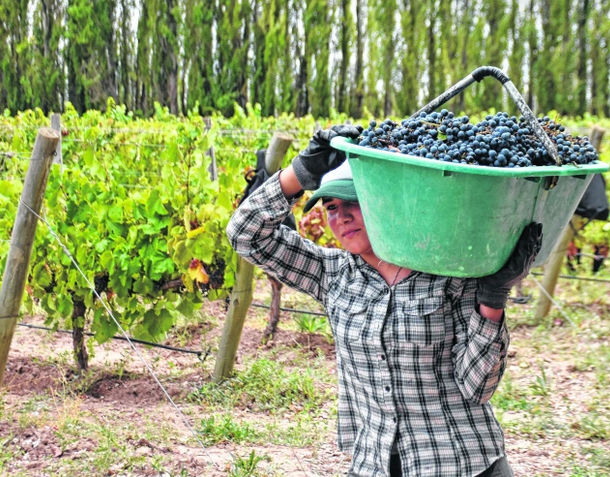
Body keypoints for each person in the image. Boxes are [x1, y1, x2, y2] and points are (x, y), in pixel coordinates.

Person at [227, 125, 542, 477]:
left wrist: (492, 298)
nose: (340, 216)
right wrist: (300, 173)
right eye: (331, 207)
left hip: (461, 463)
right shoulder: (331, 274)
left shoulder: (449, 271)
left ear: (385, 203)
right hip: (374, 463)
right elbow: (245, 234)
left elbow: (479, 387)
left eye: (354, 203)